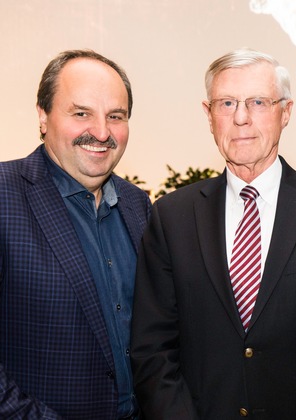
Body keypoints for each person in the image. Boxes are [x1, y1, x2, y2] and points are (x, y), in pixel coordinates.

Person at [130, 48, 296, 419]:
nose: (241, 118)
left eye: (258, 102)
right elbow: (152, 350)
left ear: (286, 112)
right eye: (227, 103)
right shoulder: (171, 217)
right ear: (208, 115)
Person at [0, 50, 151, 419]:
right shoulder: (4, 195)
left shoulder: (139, 206)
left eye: (115, 116)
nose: (101, 132)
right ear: (42, 115)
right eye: (81, 113)